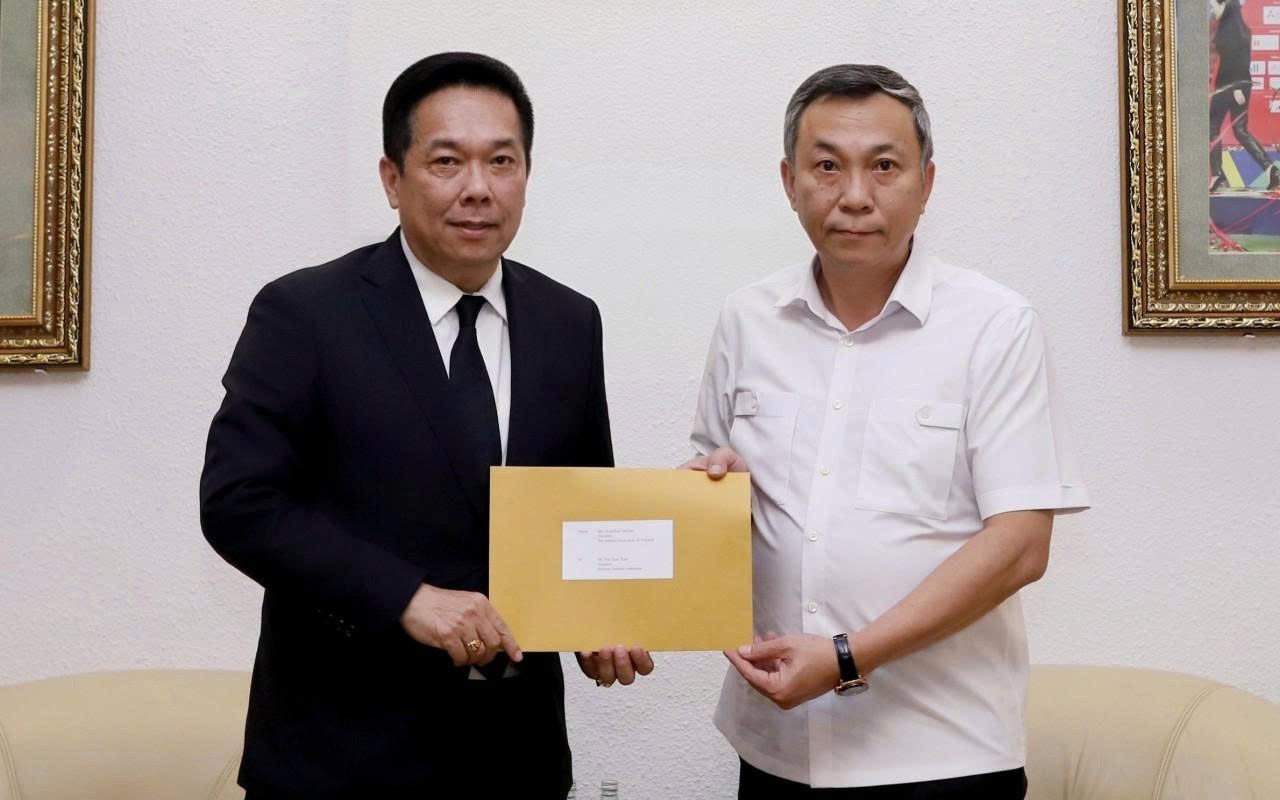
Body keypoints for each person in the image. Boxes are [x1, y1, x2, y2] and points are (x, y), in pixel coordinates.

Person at [200, 52, 651, 799]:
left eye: (501, 161)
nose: (478, 187)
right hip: (343, 757)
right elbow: (239, 504)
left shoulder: (570, 321)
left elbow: (577, 510)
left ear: (526, 174)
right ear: (392, 178)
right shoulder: (305, 314)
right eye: (447, 161)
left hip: (517, 758)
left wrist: (597, 616)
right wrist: (405, 596)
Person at [687, 64, 1089, 798]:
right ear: (789, 181)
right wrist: (709, 501)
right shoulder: (747, 320)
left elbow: (1021, 547)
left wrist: (848, 656)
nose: (854, 196)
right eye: (826, 166)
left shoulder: (996, 326)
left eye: (883, 166)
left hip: (942, 757)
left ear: (926, 183)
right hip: (776, 751)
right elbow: (720, 504)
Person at [1210, 0, 1280, 192]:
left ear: (1227, 6)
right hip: (1237, 85)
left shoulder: (1230, 31)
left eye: (1216, 5)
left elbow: (1239, 61)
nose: (1214, 10)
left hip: (1230, 86)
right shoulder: (1239, 28)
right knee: (1240, 130)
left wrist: (1236, 88)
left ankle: (1218, 175)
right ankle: (1271, 170)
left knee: (1212, 128)